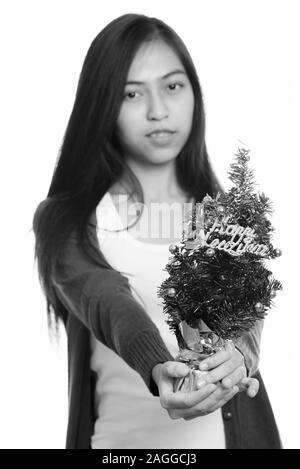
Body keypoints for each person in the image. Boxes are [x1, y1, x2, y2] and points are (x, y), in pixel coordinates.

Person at [32, 13, 281, 449]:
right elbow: (106, 298)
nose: (158, 110)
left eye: (172, 86)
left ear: (193, 94)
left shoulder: (228, 218)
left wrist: (240, 356)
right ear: (102, 104)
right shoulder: (68, 220)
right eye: (131, 93)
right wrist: (155, 364)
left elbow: (248, 315)